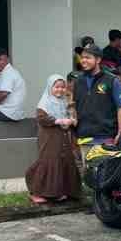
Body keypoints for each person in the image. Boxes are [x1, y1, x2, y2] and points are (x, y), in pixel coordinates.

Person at [25, 74, 81, 204]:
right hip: (49, 136)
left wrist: (70, 120)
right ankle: (36, 192)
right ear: (50, 87)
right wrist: (58, 120)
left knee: (63, 161)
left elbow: (70, 115)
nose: (60, 90)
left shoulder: (64, 101)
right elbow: (41, 118)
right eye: (57, 87)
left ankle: (57, 192)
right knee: (48, 161)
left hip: (62, 135)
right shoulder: (45, 102)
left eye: (62, 87)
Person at [69, 43, 121, 163]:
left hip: (105, 137)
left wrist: (120, 131)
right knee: (88, 175)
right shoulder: (78, 81)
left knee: (104, 175)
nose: (83, 60)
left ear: (98, 60)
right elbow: (74, 105)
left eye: (88, 57)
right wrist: (72, 118)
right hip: (84, 137)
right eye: (82, 57)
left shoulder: (111, 80)